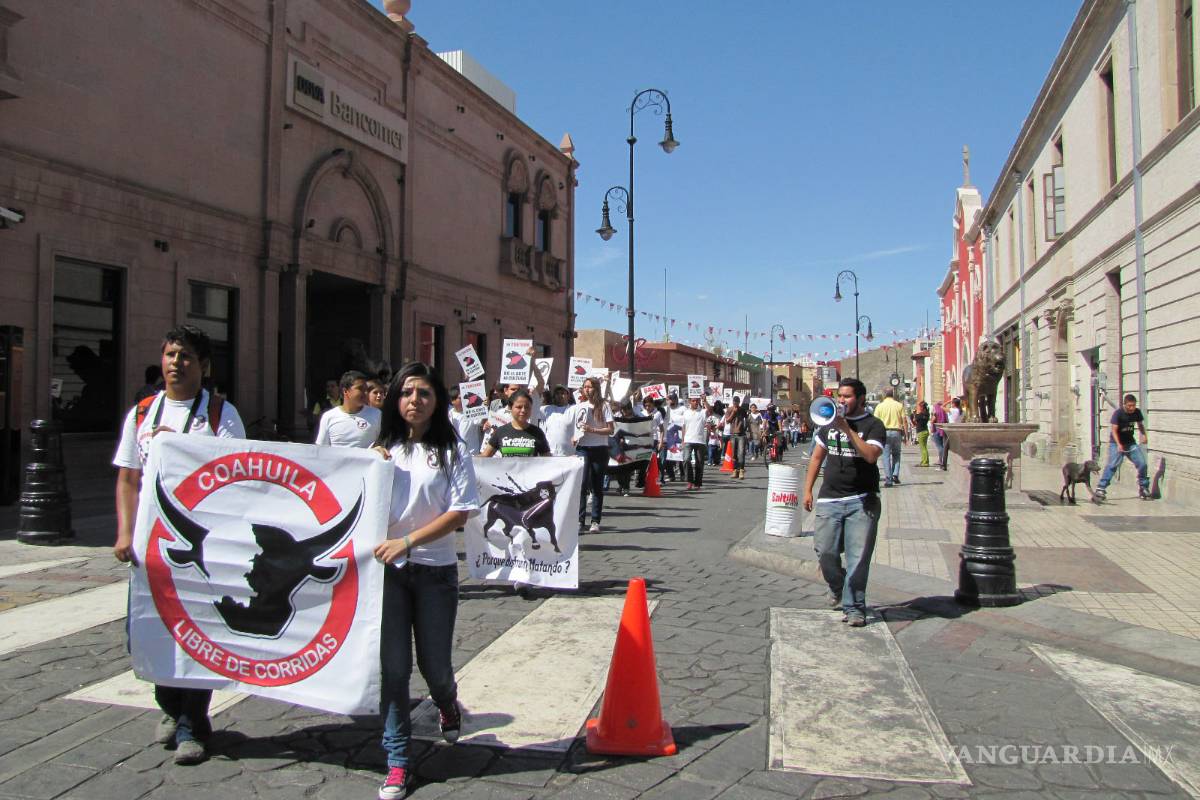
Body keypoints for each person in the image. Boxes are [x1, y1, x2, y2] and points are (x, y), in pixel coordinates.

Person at [112, 325, 246, 765]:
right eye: (170, 354)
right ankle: (169, 705)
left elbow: (237, 477)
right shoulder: (143, 413)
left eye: (185, 356)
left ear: (203, 366)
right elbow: (129, 478)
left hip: (200, 548)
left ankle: (194, 725)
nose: (175, 363)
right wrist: (124, 532)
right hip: (150, 546)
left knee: (196, 635)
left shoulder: (220, 415)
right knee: (147, 633)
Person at [371, 362, 480, 800]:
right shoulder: (381, 451)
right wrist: (367, 465)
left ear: (437, 402)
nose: (414, 400)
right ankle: (397, 759)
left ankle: (447, 702)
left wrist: (409, 541)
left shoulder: (454, 451)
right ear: (396, 400)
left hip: (435, 572)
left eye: (424, 394)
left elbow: (462, 511)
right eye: (407, 393)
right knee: (394, 670)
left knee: (434, 667)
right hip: (388, 575)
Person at [802, 378, 885, 628]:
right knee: (825, 551)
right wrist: (808, 490)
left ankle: (854, 606)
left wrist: (846, 429)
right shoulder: (827, 425)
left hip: (862, 500)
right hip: (830, 498)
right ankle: (838, 587)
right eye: (839, 396)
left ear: (860, 399)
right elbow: (817, 458)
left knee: (857, 558)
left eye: (847, 397)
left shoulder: (873, 425)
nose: (841, 401)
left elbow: (871, 456)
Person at [1094, 394, 1152, 502]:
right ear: (1125, 404)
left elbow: (1140, 425)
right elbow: (1114, 430)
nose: (1132, 408)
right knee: (1113, 464)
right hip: (1116, 443)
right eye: (1129, 406)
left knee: (1142, 463)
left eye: (1134, 405)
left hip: (1130, 443)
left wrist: (1143, 435)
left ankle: (1143, 487)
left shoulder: (1137, 412)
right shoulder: (1118, 414)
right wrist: (1119, 444)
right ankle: (1101, 488)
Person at [574, 377, 614, 532]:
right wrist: (574, 436)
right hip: (583, 448)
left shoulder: (604, 406)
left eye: (590, 387)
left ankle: (595, 520)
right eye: (585, 387)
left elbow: (611, 429)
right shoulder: (580, 406)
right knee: (581, 484)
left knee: (596, 485)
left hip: (599, 448)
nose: (587, 389)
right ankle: (579, 519)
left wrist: (593, 430)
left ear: (596, 388)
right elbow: (575, 425)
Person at [314, 370, 381, 448]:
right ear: (345, 391)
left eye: (366, 389)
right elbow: (321, 450)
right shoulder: (328, 417)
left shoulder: (376, 415)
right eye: (360, 388)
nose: (365, 393)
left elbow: (384, 444)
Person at [481, 389, 550, 458]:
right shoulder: (501, 431)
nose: (523, 410)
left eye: (527, 407)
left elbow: (548, 461)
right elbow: (484, 456)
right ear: (511, 408)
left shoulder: (538, 432)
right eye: (519, 407)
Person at [873, 389, 907, 487]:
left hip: (885, 432)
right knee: (897, 454)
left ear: (884, 396)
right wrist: (906, 435)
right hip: (897, 432)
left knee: (886, 456)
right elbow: (904, 420)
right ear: (893, 395)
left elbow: (876, 422)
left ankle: (888, 479)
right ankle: (895, 474)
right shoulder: (899, 405)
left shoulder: (880, 406)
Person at [678, 395, 711, 490]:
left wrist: (705, 401)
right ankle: (689, 481)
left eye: (697, 401)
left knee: (699, 462)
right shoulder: (686, 413)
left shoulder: (702, 412)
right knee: (686, 460)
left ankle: (698, 483)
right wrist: (683, 440)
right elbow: (683, 427)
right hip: (688, 440)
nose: (695, 402)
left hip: (700, 440)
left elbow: (710, 411)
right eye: (693, 401)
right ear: (689, 402)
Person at [538, 385, 577, 456]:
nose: (559, 395)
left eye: (562, 393)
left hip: (568, 454)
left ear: (568, 396)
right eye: (557, 393)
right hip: (550, 453)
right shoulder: (546, 409)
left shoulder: (574, 409)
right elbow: (534, 404)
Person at [447, 386, 484, 455]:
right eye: (460, 398)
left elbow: (481, 421)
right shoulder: (448, 415)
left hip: (472, 455)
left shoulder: (472, 413)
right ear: (452, 401)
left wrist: (484, 407)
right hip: (454, 455)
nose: (464, 400)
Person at [724, 396, 749, 479]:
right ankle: (735, 470)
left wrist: (747, 429)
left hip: (741, 434)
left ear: (739, 402)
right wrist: (733, 413)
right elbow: (727, 421)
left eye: (737, 402)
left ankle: (741, 470)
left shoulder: (742, 410)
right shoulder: (729, 409)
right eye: (735, 402)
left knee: (741, 453)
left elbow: (747, 419)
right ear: (733, 402)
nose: (736, 403)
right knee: (734, 454)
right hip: (733, 434)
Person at [930, 400, 949, 469]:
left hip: (936, 430)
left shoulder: (936, 411)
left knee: (939, 446)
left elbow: (933, 420)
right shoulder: (944, 411)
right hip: (943, 430)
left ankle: (941, 461)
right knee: (942, 445)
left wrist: (931, 420)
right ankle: (940, 460)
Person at [913, 401, 931, 467]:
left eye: (920, 407)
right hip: (925, 431)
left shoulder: (919, 415)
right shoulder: (927, 414)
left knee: (923, 448)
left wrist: (915, 414)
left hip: (921, 432)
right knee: (924, 447)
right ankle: (924, 460)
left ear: (922, 407)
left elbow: (914, 420)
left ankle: (925, 462)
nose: (919, 408)